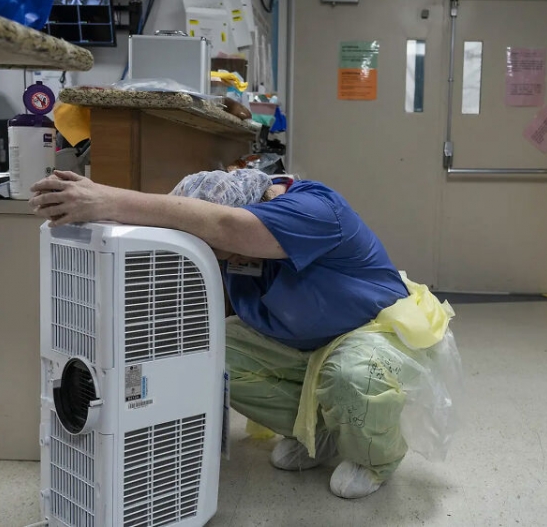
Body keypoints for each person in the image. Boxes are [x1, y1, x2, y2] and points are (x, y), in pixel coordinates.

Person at [30, 168, 456, 499]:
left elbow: (227, 227)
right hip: (305, 344)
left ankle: (376, 458)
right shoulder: (233, 251)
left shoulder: (316, 207)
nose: (214, 253)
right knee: (211, 355)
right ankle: (320, 431)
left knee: (351, 376)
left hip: (376, 334)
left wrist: (107, 198)